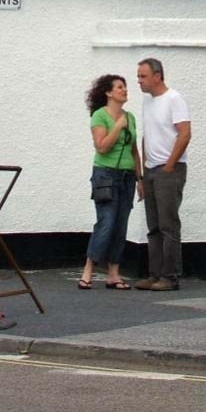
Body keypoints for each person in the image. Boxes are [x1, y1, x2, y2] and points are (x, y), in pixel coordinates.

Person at [78, 74, 142, 290]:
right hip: (105, 174)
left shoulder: (130, 117)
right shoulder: (100, 116)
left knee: (121, 224)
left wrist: (139, 178)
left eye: (125, 87)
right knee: (106, 222)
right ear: (108, 92)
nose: (124, 90)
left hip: (127, 175)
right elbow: (102, 146)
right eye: (120, 87)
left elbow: (134, 150)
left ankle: (114, 273)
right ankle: (89, 269)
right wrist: (118, 126)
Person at [135, 58, 190, 292]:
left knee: (168, 224)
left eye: (143, 76)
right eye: (138, 76)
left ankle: (170, 276)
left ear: (157, 76)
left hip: (169, 169)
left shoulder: (174, 99)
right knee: (153, 225)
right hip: (151, 168)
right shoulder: (148, 102)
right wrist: (143, 172)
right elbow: (147, 135)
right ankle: (154, 273)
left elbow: (184, 134)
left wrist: (169, 165)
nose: (139, 81)